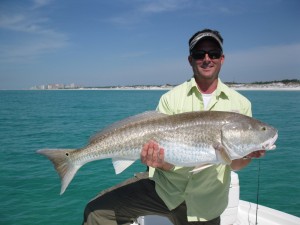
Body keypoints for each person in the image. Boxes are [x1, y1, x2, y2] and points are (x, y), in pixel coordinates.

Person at [82, 28, 265, 225]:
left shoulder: (241, 104)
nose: (206, 58)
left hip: (207, 204)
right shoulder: (170, 98)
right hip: (164, 192)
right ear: (190, 60)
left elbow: (235, 163)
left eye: (213, 53)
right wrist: (157, 161)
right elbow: (168, 163)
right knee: (96, 212)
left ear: (222, 58)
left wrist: (246, 155)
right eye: (199, 54)